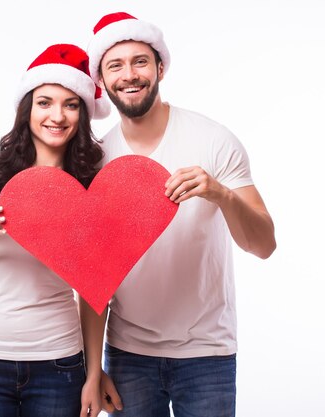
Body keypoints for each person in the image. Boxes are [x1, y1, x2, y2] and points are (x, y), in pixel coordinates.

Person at [78, 12, 277, 417]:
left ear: (160, 68)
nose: (129, 74)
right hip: (129, 353)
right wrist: (93, 369)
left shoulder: (213, 140)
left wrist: (220, 193)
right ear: (102, 79)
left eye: (140, 61)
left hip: (207, 353)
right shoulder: (95, 161)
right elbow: (93, 278)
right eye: (115, 65)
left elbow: (264, 245)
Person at [0, 43, 110, 417]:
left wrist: (92, 372)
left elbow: (94, 288)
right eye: (45, 102)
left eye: (71, 105)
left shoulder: (89, 184)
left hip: (59, 363)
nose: (58, 115)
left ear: (83, 115)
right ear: (27, 109)